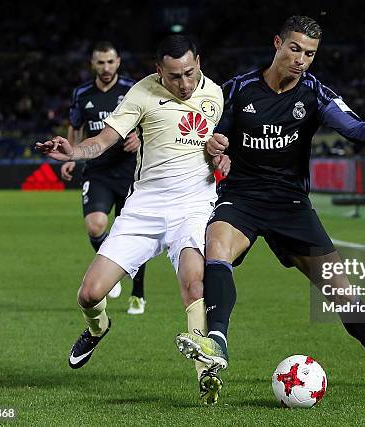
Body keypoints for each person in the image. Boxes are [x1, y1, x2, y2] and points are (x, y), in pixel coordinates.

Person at [175, 16, 365, 393]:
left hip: (291, 206)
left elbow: (352, 126)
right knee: (216, 246)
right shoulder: (237, 89)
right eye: (295, 49)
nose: (301, 59)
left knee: (341, 291)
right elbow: (211, 131)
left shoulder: (314, 93)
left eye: (310, 54)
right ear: (277, 43)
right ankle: (217, 340)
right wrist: (214, 145)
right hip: (241, 199)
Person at [36, 35, 230, 404]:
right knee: (89, 294)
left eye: (190, 73)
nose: (185, 84)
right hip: (145, 209)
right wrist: (74, 150)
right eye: (174, 77)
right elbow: (105, 139)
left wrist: (224, 159)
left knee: (194, 284)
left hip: (194, 206)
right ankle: (98, 328)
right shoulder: (141, 93)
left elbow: (226, 148)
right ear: (159, 71)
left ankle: (207, 374)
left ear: (199, 62)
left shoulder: (217, 95)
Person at [63, 41, 147, 313]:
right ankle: (111, 267)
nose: (106, 67)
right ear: (93, 63)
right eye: (100, 62)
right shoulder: (82, 93)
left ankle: (138, 294)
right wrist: (70, 156)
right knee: (95, 225)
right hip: (97, 170)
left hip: (130, 173)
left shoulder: (132, 90)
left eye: (110, 61)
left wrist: (140, 137)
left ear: (118, 62)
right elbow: (75, 127)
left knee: (135, 235)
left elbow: (151, 120)